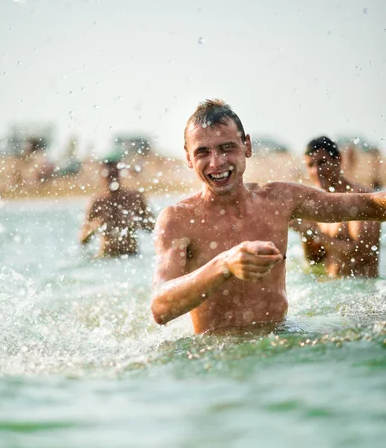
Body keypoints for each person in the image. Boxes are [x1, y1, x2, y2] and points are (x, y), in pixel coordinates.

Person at [151, 99, 386, 335]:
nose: (217, 162)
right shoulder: (178, 219)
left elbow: (370, 205)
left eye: (227, 148)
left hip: (282, 340)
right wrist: (224, 264)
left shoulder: (279, 199)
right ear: (189, 158)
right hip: (216, 356)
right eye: (203, 152)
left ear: (247, 146)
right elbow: (160, 307)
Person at [291, 136, 381, 277]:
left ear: (338, 159)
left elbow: (361, 256)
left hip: (361, 292)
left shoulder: (361, 198)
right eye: (310, 165)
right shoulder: (317, 205)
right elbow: (315, 260)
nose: (316, 171)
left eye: (322, 162)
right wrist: (305, 232)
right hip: (331, 289)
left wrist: (315, 234)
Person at [80, 160, 155, 257]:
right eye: (108, 174)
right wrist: (95, 226)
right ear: (102, 176)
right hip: (107, 256)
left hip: (132, 255)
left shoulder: (135, 198)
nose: (112, 178)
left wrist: (138, 221)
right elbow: (82, 240)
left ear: (120, 174)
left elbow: (155, 228)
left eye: (115, 174)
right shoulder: (97, 202)